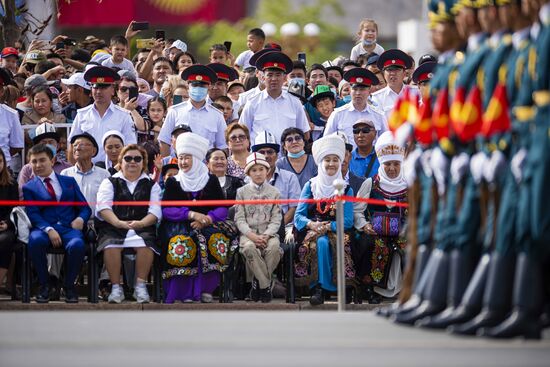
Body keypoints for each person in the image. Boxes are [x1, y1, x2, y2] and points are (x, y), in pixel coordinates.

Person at [160, 132, 237, 303]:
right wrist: (191, 214)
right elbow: (166, 211)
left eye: (187, 158)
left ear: (196, 158)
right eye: (180, 158)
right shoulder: (174, 181)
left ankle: (205, 289)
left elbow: (222, 208)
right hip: (178, 224)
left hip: (208, 224)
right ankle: (183, 292)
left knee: (214, 240)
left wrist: (207, 219)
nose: (183, 162)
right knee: (182, 242)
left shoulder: (210, 180)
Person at [23, 144, 92, 303]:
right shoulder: (29, 187)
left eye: (42, 160)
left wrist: (80, 219)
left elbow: (85, 208)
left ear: (52, 161)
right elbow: (33, 213)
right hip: (44, 228)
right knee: (35, 241)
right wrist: (48, 229)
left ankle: (68, 286)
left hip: (69, 227)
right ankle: (45, 285)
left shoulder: (69, 181)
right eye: (34, 162)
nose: (38, 165)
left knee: (77, 245)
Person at [293, 134, 355, 306]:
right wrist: (312, 224)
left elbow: (348, 220)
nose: (331, 164)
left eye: (335, 160)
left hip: (337, 229)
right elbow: (298, 215)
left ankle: (339, 288)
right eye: (327, 159)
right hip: (312, 228)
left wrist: (328, 226)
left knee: (337, 243)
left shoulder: (346, 189)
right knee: (319, 243)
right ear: (320, 162)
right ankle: (318, 288)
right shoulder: (311, 186)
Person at [95, 144, 161, 304]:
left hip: (142, 227)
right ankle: (116, 288)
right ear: (121, 161)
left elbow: (155, 211)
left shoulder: (152, 185)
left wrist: (141, 223)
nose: (133, 162)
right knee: (111, 245)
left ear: (143, 163)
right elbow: (103, 207)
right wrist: (118, 222)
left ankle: (140, 287)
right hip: (114, 227)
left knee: (146, 244)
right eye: (128, 158)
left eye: (137, 159)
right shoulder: (109, 182)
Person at [352, 131, 408, 302]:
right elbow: (357, 210)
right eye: (388, 164)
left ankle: (408, 289)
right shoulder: (370, 183)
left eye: (396, 164)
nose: (392, 168)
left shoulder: (409, 185)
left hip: (402, 232)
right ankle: (372, 288)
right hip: (376, 232)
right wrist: (365, 225)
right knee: (372, 244)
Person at [235, 152, 282, 303]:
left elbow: (276, 219)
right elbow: (239, 218)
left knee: (274, 248)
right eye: (254, 170)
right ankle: (266, 286)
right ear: (248, 173)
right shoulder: (241, 192)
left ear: (267, 171)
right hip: (248, 235)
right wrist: (252, 235)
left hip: (269, 235)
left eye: (261, 169)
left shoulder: (274, 192)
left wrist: (267, 235)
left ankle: (257, 283)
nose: (258, 173)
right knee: (249, 248)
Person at [68, 66, 137, 164]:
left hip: (114, 171)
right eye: (95, 87)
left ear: (113, 90)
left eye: (104, 87)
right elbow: (72, 147)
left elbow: (130, 146)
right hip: (87, 170)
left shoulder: (124, 116)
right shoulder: (82, 115)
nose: (99, 92)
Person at [239, 51, 310, 144]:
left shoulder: (295, 102)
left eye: (278, 75)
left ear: (284, 78)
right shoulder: (252, 102)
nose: (274, 79)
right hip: (261, 155)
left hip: (287, 156)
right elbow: (242, 133)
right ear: (263, 77)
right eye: (270, 75)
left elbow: (305, 133)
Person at [158, 64, 228, 156]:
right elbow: (164, 141)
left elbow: (222, 146)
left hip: (207, 166)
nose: (198, 88)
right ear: (188, 86)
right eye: (195, 85)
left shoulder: (217, 115)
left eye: (203, 86)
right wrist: (167, 165)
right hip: (179, 165)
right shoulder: (175, 111)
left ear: (209, 87)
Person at [324, 67, 387, 146]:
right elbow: (327, 141)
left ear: (369, 91)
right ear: (350, 90)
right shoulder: (338, 114)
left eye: (362, 89)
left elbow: (385, 142)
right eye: (355, 89)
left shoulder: (379, 115)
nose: (358, 93)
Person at [252, 132, 302, 229]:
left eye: (270, 152)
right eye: (262, 152)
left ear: (277, 155)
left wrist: (275, 228)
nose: (266, 156)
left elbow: (294, 208)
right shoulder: (248, 179)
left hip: (285, 227)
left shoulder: (290, 177)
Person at [60, 132, 110, 218]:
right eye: (75, 145)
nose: (77, 148)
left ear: (93, 151)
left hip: (98, 224)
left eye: (82, 145)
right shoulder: (65, 174)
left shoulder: (104, 175)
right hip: (72, 224)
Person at [17, 123, 71, 198]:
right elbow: (22, 196)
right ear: (37, 146)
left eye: (51, 142)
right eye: (43, 142)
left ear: (58, 146)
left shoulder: (67, 167)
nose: (47, 145)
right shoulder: (27, 169)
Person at [370, 49, 415, 118]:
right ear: (384, 74)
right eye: (389, 70)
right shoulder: (378, 97)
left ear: (404, 73)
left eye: (397, 70)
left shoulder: (416, 92)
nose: (393, 73)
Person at [0, 149, 18, 290]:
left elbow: (14, 208)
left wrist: (7, 223)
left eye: (0, 161)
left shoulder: (11, 183)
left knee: (5, 240)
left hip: (5, 225)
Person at [0, 68, 24, 172]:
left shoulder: (11, 114)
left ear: (1, 92)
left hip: (3, 171)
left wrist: (3, 158)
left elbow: (17, 145)